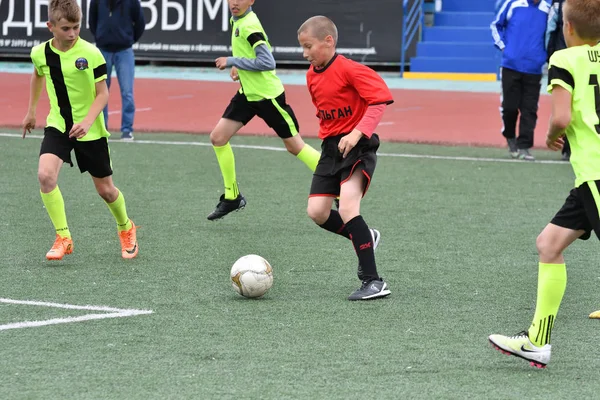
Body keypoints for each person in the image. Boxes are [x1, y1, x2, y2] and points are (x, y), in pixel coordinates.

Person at [489, 0, 600, 368]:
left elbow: (562, 116)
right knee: (548, 243)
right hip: (588, 181)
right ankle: (538, 340)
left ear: (567, 28)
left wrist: (554, 133)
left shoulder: (564, 60)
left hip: (597, 174)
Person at [22, 0, 139, 260]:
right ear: (50, 26)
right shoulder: (40, 53)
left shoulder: (92, 54)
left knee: (106, 190)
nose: (73, 33)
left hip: (91, 131)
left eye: (76, 27)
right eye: (66, 28)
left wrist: (87, 121)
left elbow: (103, 94)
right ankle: (63, 237)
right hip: (58, 126)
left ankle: (126, 228)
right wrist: (31, 111)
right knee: (45, 176)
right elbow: (37, 75)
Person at [297, 16, 393, 301]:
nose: (305, 54)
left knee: (349, 207)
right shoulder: (311, 75)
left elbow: (379, 100)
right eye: (302, 47)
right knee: (317, 212)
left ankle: (373, 281)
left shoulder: (350, 69)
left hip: (358, 147)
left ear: (328, 41)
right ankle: (365, 236)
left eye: (308, 46)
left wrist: (356, 133)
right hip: (331, 149)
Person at [207, 0, 321, 221]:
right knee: (218, 138)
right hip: (248, 94)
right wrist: (239, 67)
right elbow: (251, 55)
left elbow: (267, 62)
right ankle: (232, 197)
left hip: (268, 97)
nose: (235, 2)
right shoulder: (237, 19)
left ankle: (336, 183)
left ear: (252, 1)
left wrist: (232, 60)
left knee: (295, 147)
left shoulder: (249, 25)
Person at [491, 0, 551, 161]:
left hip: (534, 68)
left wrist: (544, 57)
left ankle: (524, 146)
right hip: (511, 65)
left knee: (529, 109)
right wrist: (504, 47)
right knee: (509, 108)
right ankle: (510, 137)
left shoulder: (548, 8)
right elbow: (496, 25)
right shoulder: (513, 4)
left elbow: (552, 33)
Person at [89, 0, 145, 140]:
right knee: (101, 91)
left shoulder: (132, 2)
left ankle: (127, 130)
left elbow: (140, 23)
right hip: (102, 51)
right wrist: (100, 38)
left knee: (127, 92)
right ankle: (102, 128)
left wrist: (128, 39)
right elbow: (92, 22)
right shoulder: (96, 1)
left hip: (124, 51)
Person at [546, 0, 572, 161]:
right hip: (568, 61)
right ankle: (568, 148)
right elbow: (551, 29)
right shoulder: (558, 3)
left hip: (565, 61)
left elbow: (549, 30)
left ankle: (568, 148)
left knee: (567, 106)